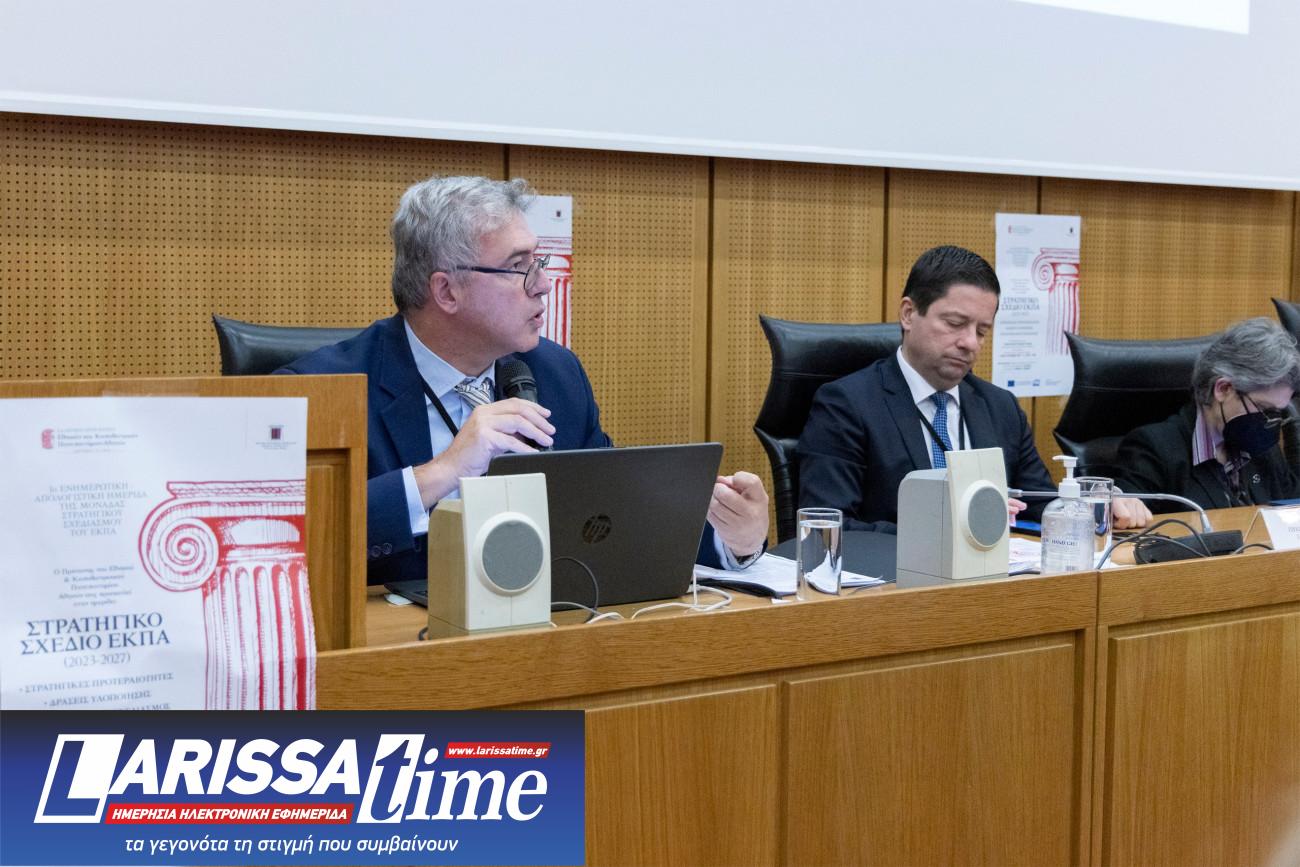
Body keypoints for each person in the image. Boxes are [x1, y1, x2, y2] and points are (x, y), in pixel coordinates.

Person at [281, 175, 768, 585]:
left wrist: (733, 539)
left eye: (539, 263)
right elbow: (287, 537)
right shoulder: (321, 391)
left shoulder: (555, 373)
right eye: (518, 268)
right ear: (446, 291)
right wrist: (443, 471)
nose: (543, 284)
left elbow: (610, 519)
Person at [797, 244, 1151, 532]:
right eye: (955, 323)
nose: (970, 343)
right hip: (895, 587)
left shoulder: (1000, 408)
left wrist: (1094, 509)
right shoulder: (847, 405)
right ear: (908, 314)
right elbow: (829, 526)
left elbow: (1038, 503)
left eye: (982, 331)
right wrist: (949, 524)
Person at [1113, 318, 1300, 512]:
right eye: (1263, 408)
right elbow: (1125, 507)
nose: (1269, 422)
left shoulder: (1264, 450)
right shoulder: (1155, 448)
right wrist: (1121, 503)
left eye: (1276, 412)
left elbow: (1293, 514)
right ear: (1223, 389)